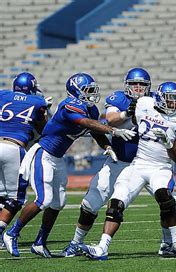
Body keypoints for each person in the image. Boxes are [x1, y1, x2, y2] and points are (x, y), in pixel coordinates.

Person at [2, 73, 136, 257]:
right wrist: (113, 130)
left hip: (56, 159)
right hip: (42, 154)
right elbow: (84, 122)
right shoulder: (68, 105)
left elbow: (94, 128)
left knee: (58, 202)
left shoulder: (91, 109)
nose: (91, 94)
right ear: (76, 91)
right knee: (44, 199)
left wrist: (106, 145)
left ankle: (40, 242)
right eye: (87, 90)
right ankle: (12, 233)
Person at [80, 82, 176, 260]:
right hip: (139, 163)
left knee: (165, 198)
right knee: (116, 203)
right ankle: (102, 247)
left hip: (161, 167)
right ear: (159, 99)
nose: (174, 104)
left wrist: (168, 143)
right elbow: (131, 121)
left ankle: (174, 243)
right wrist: (115, 128)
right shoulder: (144, 104)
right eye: (170, 100)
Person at [58, 67, 153, 257]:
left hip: (147, 163)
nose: (138, 88)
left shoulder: (154, 101)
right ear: (127, 85)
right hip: (119, 161)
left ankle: (170, 242)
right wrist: (127, 113)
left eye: (142, 85)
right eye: (134, 84)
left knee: (169, 201)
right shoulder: (118, 98)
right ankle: (75, 243)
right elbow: (110, 120)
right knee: (90, 203)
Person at [0, 73, 49, 247]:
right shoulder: (37, 102)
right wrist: (45, 111)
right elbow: (45, 130)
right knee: (16, 198)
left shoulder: (3, 94)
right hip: (13, 147)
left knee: (1, 195)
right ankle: (1, 233)